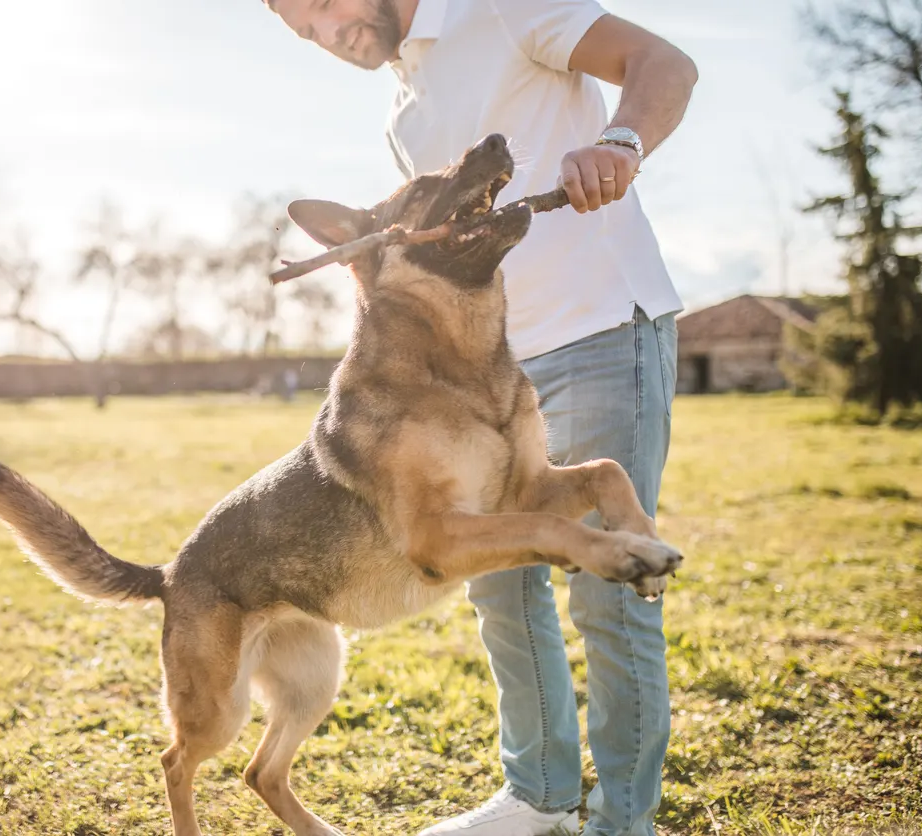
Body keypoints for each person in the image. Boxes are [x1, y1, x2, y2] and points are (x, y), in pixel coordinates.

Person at [263, 1, 698, 835]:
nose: (324, 34)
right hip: (493, 372)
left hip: (602, 324)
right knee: (501, 589)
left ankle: (623, 819)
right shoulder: (403, 106)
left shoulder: (499, 9)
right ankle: (539, 797)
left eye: (322, 5)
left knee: (613, 593)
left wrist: (621, 142)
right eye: (304, 32)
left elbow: (665, 64)